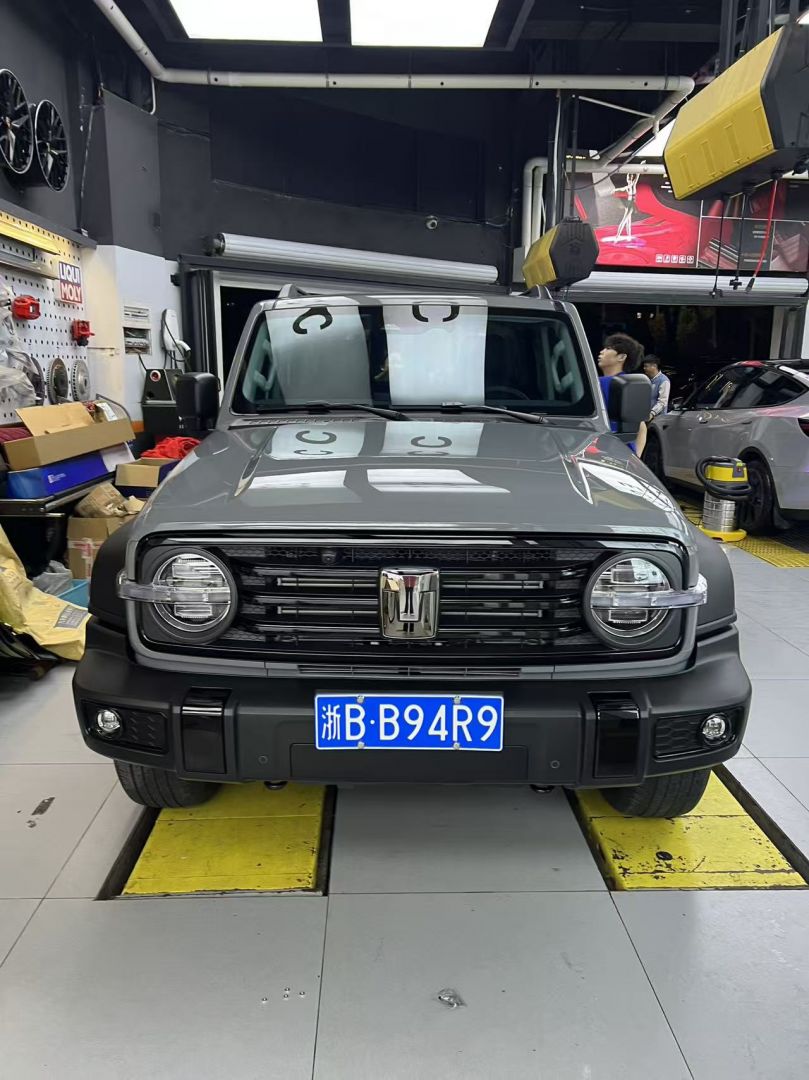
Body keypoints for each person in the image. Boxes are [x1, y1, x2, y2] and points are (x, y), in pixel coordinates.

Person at [597, 332, 646, 455]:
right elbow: (641, 427)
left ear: (621, 357)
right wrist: (636, 457)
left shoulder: (598, 383)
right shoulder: (630, 384)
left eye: (608, 348)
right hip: (623, 454)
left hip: (601, 451)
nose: (602, 352)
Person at [643, 354, 671, 420]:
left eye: (646, 366)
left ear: (654, 366)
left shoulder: (664, 381)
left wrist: (652, 414)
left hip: (658, 419)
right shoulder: (646, 379)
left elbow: (662, 402)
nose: (644, 368)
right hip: (645, 416)